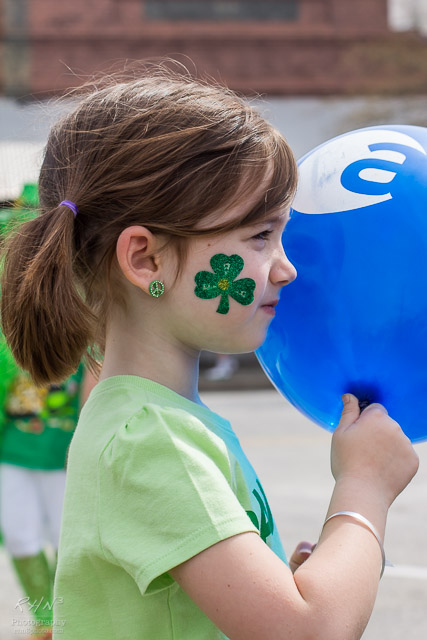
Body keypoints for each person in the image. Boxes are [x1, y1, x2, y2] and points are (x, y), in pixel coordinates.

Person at [0, 67, 418, 640]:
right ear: (146, 259)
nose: (286, 268)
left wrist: (282, 584)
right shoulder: (149, 439)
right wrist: (364, 490)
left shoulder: (158, 423)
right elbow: (309, 633)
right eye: (258, 237)